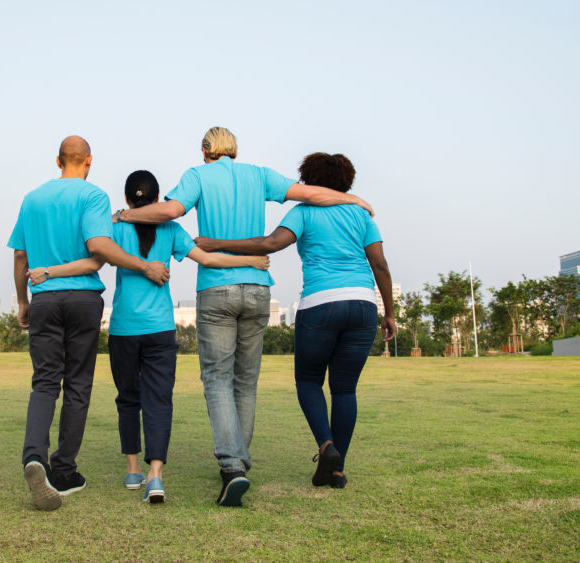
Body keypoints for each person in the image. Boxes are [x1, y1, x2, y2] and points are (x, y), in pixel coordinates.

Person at [114, 127, 374, 506]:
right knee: (246, 382)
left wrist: (124, 214)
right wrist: (354, 199)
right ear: (233, 149)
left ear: (206, 150)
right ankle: (239, 463)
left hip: (216, 288)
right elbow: (309, 193)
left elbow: (170, 211)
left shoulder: (198, 176)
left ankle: (232, 467)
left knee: (217, 379)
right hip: (258, 288)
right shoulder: (260, 174)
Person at [28, 170, 270, 504]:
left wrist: (49, 271)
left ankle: (132, 471)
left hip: (123, 329)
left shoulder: (113, 228)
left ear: (128, 199)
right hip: (160, 329)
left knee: (128, 399)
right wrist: (253, 261)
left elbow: (89, 261)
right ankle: (155, 477)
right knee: (159, 400)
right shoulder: (170, 228)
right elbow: (209, 259)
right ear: (157, 200)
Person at [195, 152, 396, 489]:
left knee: (308, 382)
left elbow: (270, 243)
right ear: (347, 181)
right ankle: (336, 469)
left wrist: (217, 243)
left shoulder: (304, 212)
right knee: (345, 389)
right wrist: (389, 312)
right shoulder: (361, 215)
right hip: (362, 304)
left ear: (309, 179)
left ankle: (326, 445)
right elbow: (380, 265)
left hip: (320, 303)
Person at [7, 136, 170, 511]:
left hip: (44, 298)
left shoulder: (32, 199)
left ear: (58, 160)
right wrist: (144, 265)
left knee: (44, 382)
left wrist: (21, 299)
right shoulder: (93, 197)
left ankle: (35, 457)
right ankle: (64, 470)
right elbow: (98, 248)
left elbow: (20, 255)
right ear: (89, 161)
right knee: (78, 384)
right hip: (83, 300)